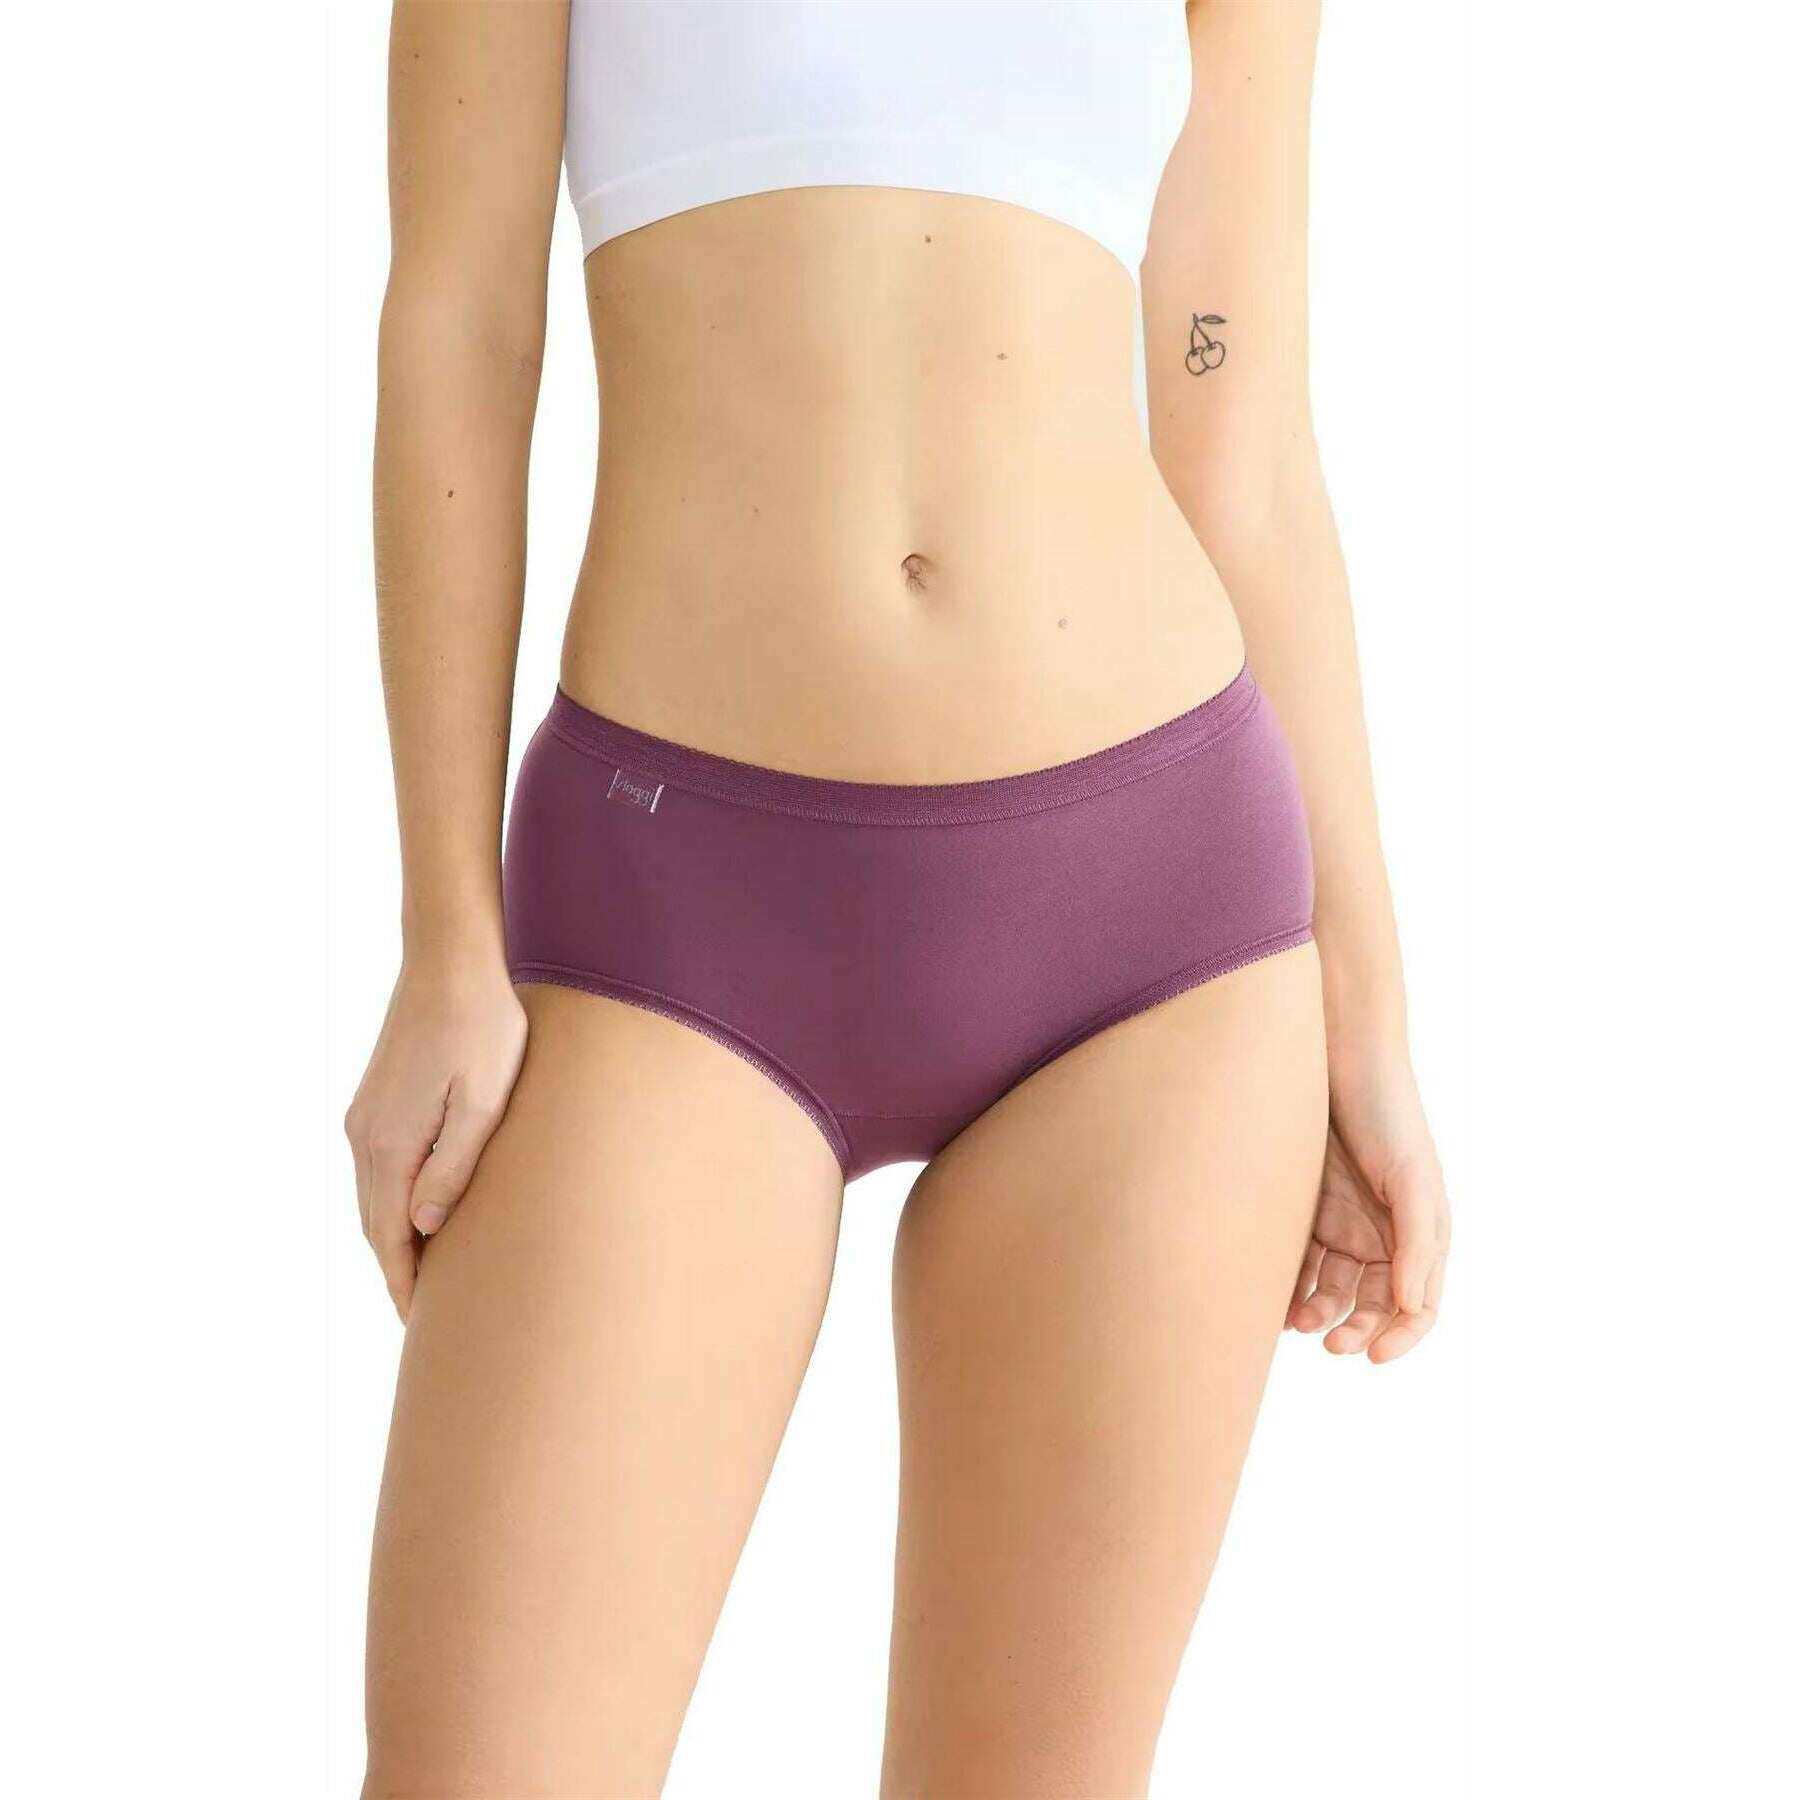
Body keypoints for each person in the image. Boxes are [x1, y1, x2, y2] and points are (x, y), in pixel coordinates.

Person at [345, 3, 1451, 1793]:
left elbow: (1237, 426)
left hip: (1154, 937)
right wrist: (443, 940)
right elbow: (457, 329)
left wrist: (1370, 1013)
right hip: (675, 911)